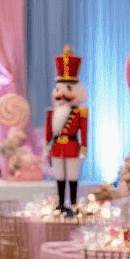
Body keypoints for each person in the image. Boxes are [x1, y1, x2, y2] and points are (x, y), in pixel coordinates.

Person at [44, 45, 88, 215]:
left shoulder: (80, 112)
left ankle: (74, 203)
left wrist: (83, 147)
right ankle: (61, 203)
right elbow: (49, 133)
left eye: (68, 88)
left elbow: (83, 131)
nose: (62, 93)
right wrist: (46, 146)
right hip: (57, 148)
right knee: (59, 177)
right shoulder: (52, 112)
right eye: (59, 89)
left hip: (72, 147)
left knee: (72, 176)